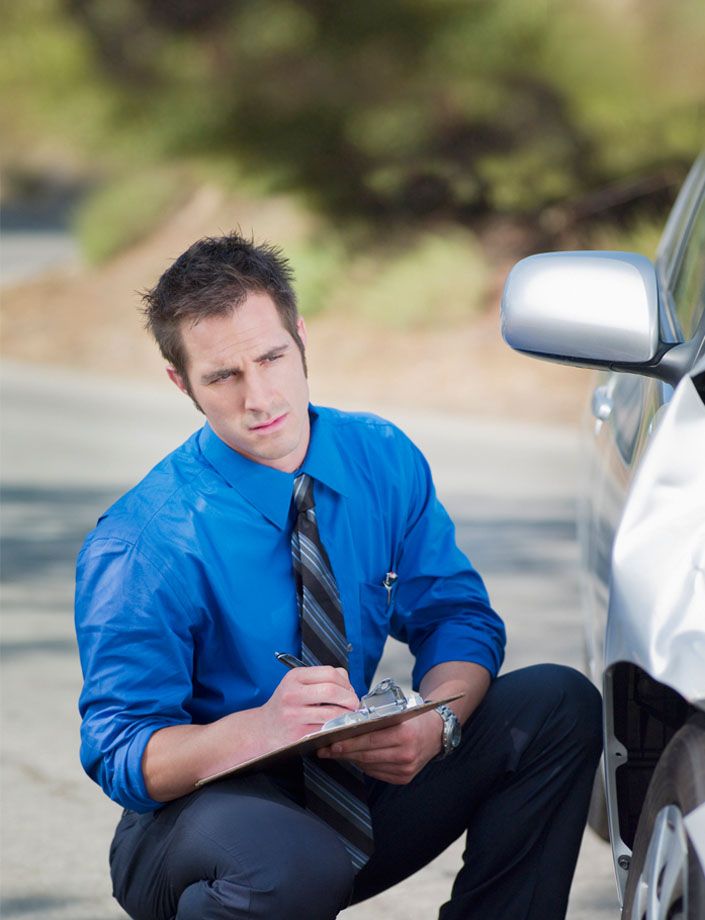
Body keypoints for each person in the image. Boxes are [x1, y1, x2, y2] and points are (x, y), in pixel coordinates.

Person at [75, 232, 602, 920]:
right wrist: (260, 729)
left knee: (557, 705)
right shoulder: (145, 541)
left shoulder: (379, 456)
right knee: (288, 863)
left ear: (300, 336)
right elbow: (121, 751)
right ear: (181, 382)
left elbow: (456, 618)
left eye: (271, 358)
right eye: (222, 376)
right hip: (201, 821)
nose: (260, 397)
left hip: (348, 788)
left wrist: (436, 720)